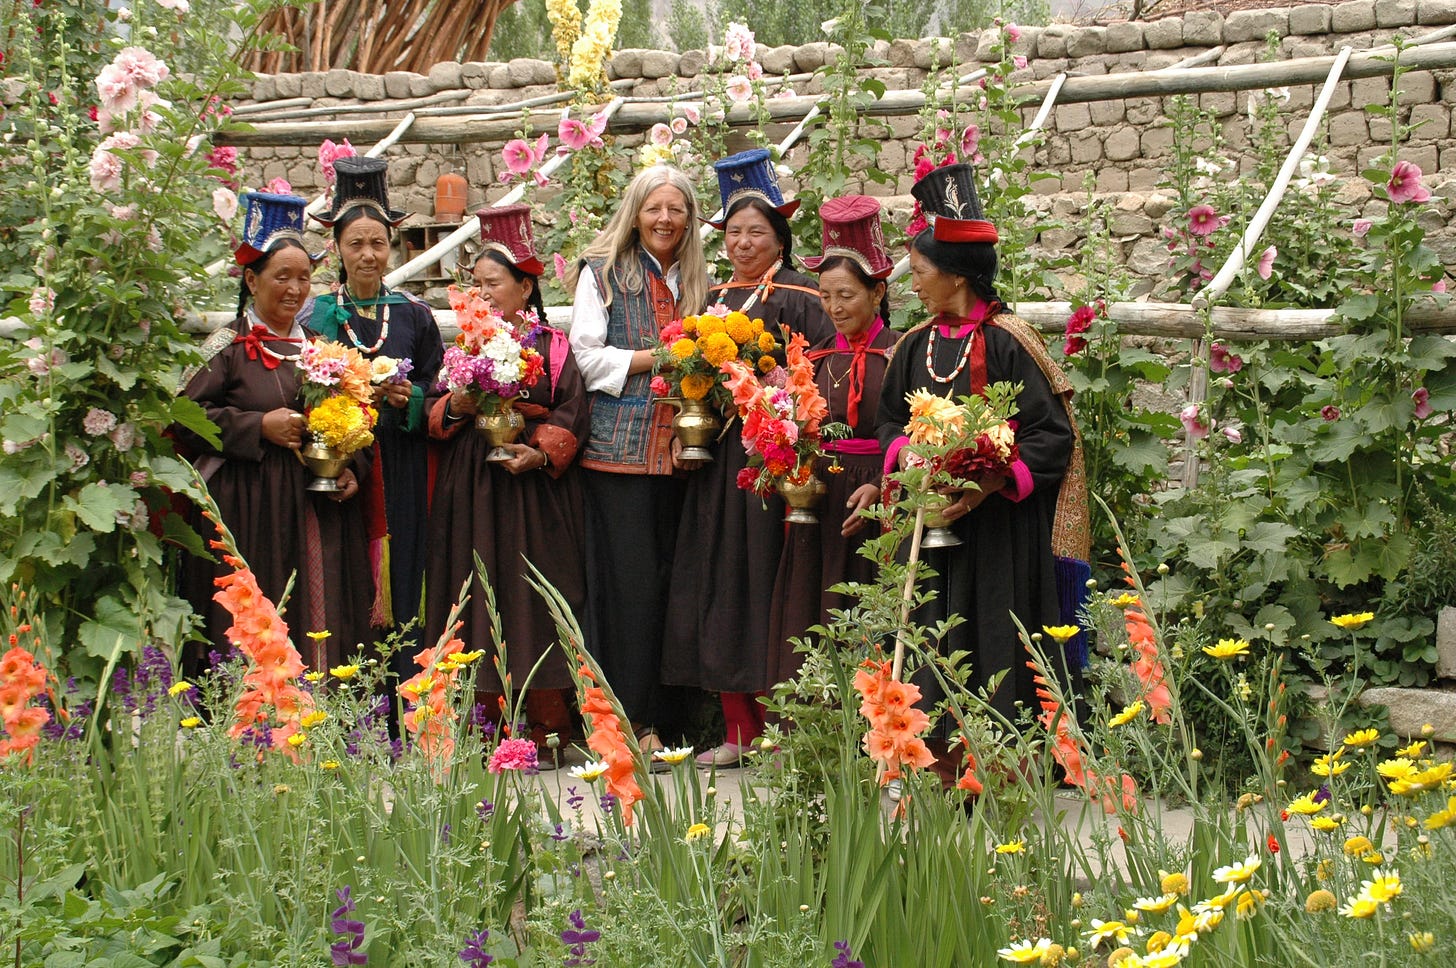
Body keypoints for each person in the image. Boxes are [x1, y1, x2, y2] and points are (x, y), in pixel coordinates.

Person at [875, 163, 1089, 741]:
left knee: (995, 629)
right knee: (930, 630)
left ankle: (1004, 755)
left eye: (920, 273)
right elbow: (892, 418)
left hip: (999, 533)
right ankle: (934, 752)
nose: (913, 285)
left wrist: (989, 480)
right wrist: (914, 460)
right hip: (929, 521)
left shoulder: (1010, 340)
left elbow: (1051, 435)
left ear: (958, 277)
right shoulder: (914, 345)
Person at [654, 149, 835, 768]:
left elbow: (822, 378)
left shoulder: (803, 297)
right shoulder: (712, 298)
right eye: (733, 232)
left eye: (756, 231)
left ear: (780, 237)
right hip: (720, 465)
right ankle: (738, 729)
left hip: (775, 462)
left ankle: (785, 727)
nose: (743, 242)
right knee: (723, 581)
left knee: (773, 584)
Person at [177, 192, 374, 671]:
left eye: (304, 277)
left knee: (318, 610)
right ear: (251, 279)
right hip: (249, 509)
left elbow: (359, 419)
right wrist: (257, 426)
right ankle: (245, 714)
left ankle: (317, 712)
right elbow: (183, 418)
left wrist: (352, 469)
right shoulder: (228, 348)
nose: (295, 288)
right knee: (255, 612)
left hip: (315, 509)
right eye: (281, 276)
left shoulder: (325, 351)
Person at [425, 204, 588, 754]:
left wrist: (538, 453)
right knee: (471, 593)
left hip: (533, 493)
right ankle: (477, 723)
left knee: (533, 597)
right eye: (478, 284)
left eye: (494, 283)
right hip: (472, 489)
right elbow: (434, 412)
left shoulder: (553, 346)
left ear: (524, 287)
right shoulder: (463, 345)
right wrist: (459, 402)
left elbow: (571, 412)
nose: (485, 294)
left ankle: (547, 724)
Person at [567, 164, 710, 750]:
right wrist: (660, 357)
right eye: (655, 208)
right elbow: (587, 357)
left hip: (682, 456)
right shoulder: (602, 273)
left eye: (676, 209)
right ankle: (627, 723)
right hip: (618, 457)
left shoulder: (698, 279)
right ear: (636, 212)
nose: (665, 219)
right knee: (628, 591)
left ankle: (671, 719)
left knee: (675, 585)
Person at [306, 156, 444, 662]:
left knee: (407, 568)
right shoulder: (319, 314)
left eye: (377, 243)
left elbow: (436, 380)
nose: (368, 254)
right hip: (348, 465)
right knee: (351, 573)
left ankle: (410, 691)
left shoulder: (412, 313)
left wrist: (413, 400)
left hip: (404, 464)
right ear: (337, 248)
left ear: (392, 246)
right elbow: (309, 383)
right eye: (355, 244)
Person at [767, 195, 898, 684]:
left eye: (846, 294)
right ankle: (811, 725)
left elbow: (917, 435)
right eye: (825, 296)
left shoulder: (901, 354)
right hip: (818, 500)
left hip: (876, 501)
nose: (834, 307)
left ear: (878, 292)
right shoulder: (813, 362)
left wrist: (889, 486)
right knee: (811, 606)